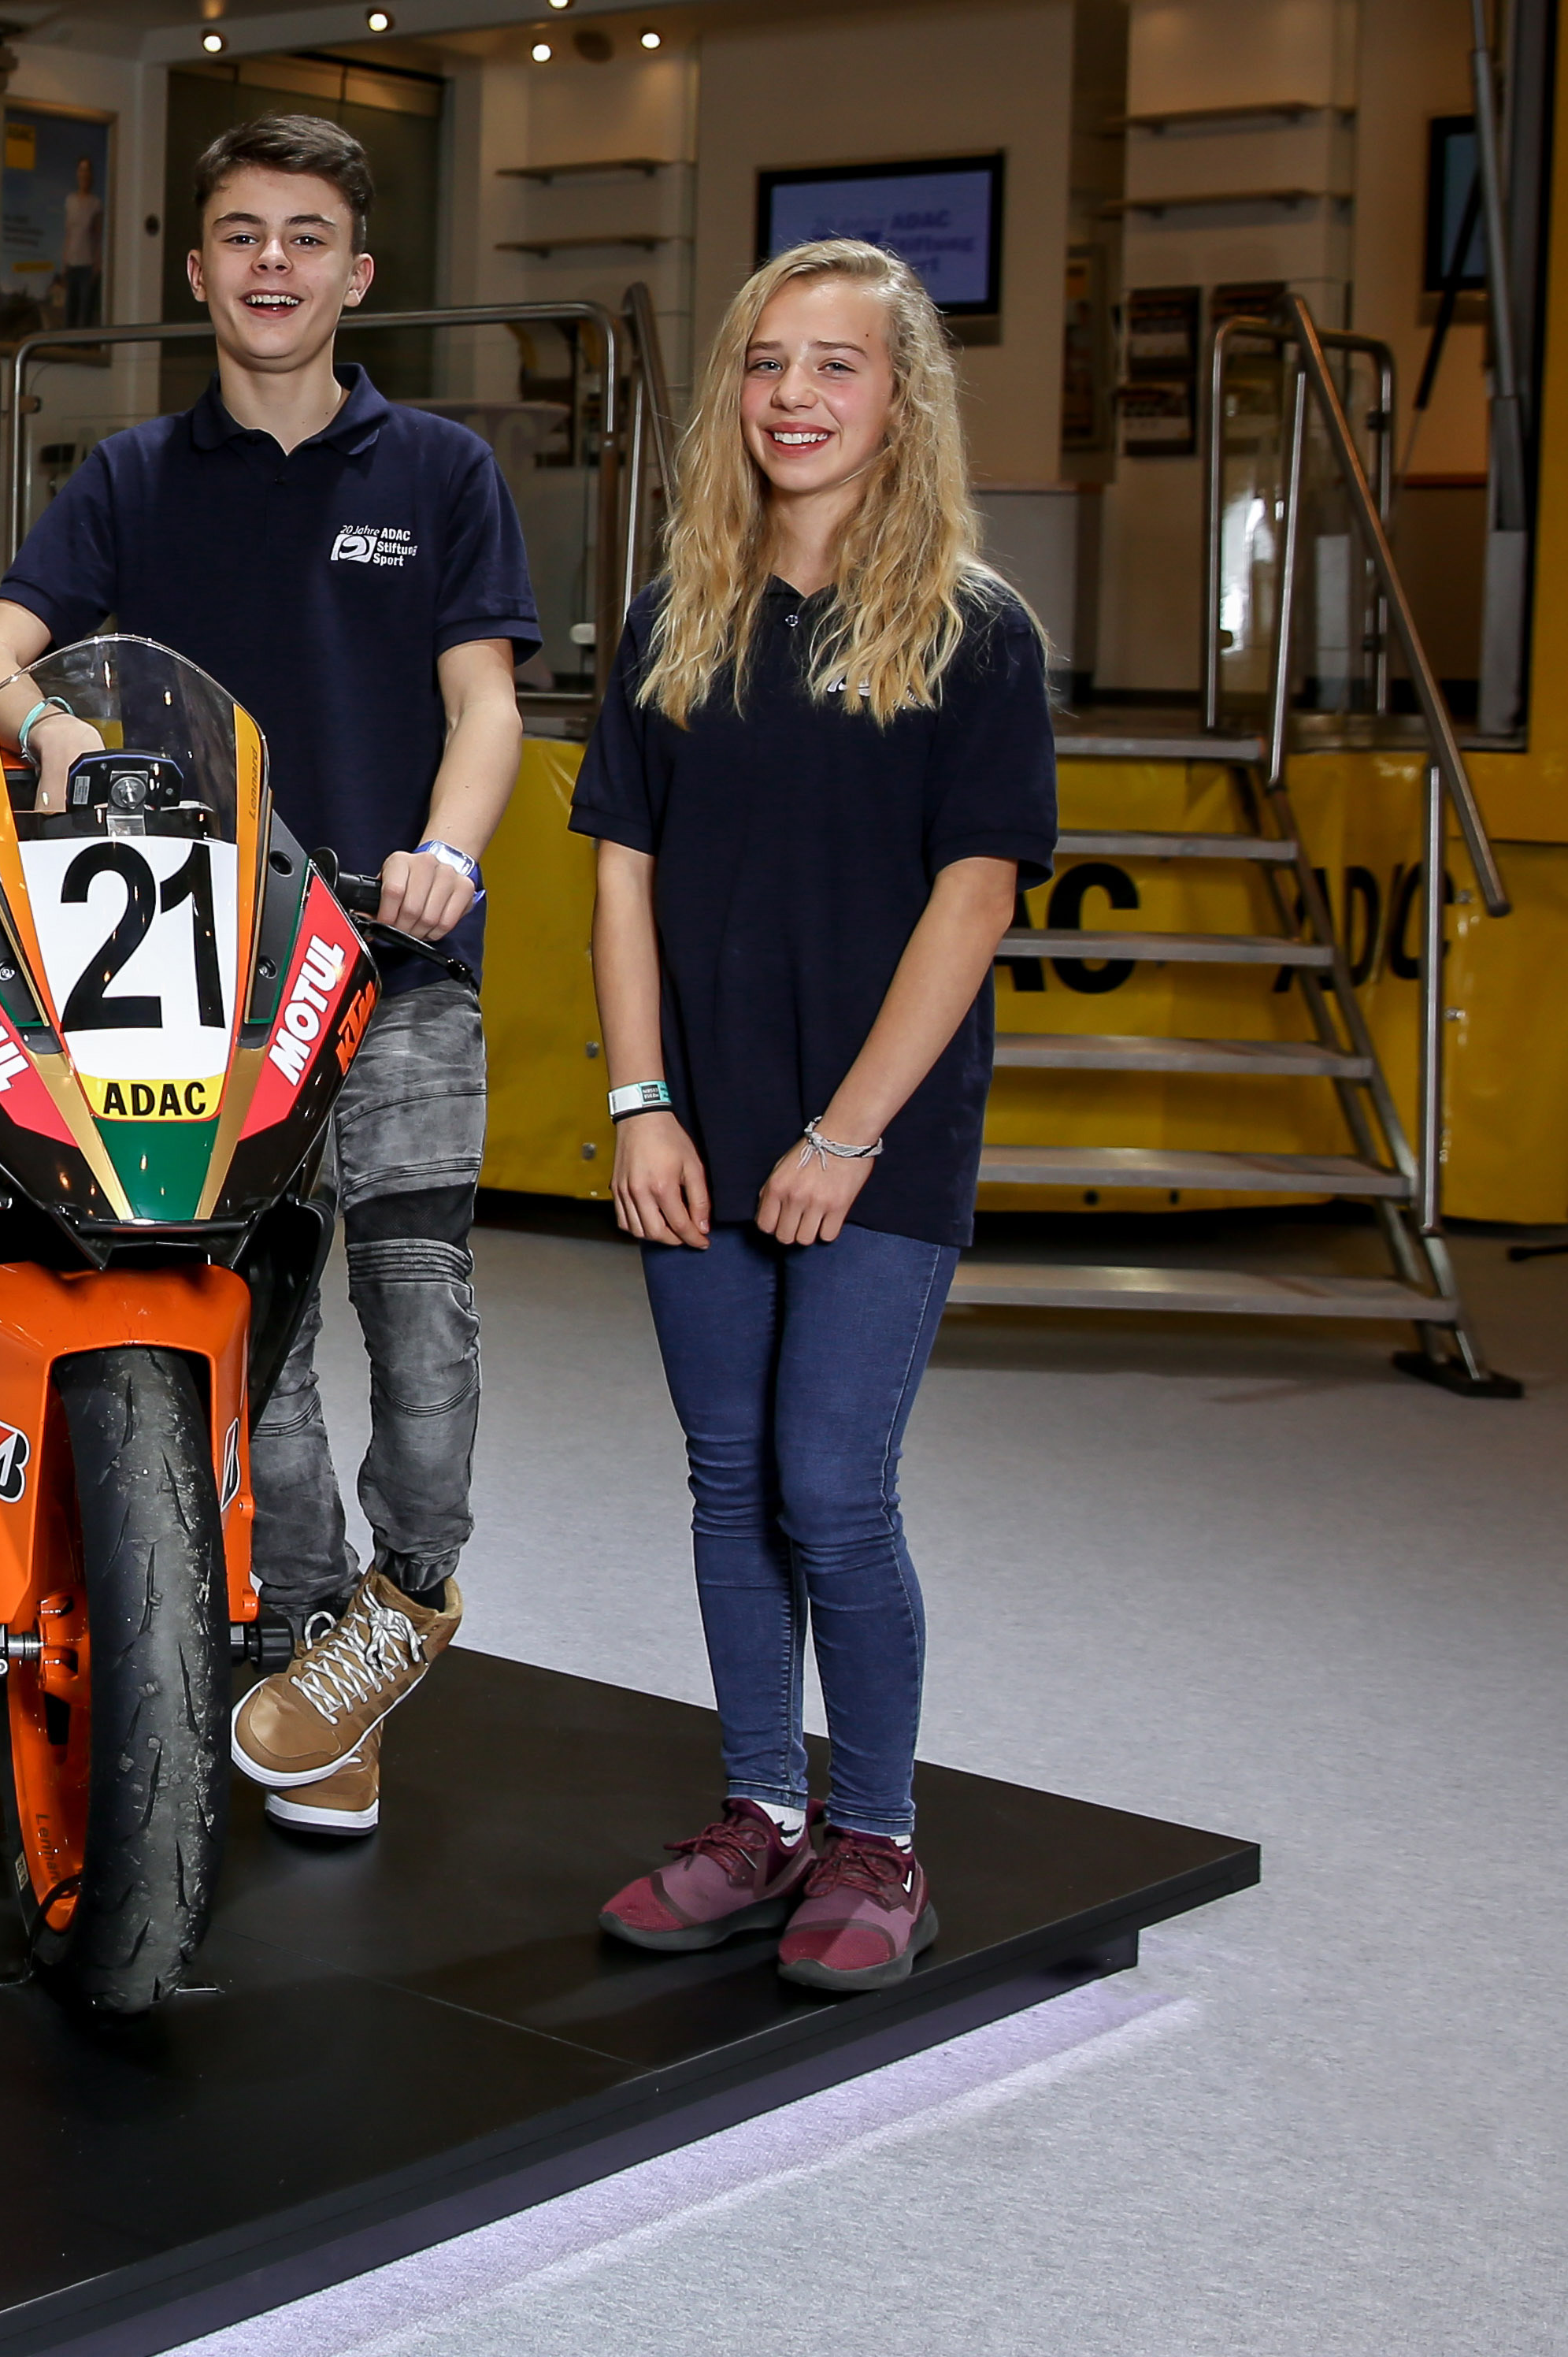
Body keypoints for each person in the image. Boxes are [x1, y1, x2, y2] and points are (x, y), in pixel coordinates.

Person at [0, 112, 536, 1839]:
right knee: (250, 1338)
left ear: (358, 273)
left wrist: (447, 849)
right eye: (243, 236)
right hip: (203, 986)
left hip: (395, 962)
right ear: (197, 270)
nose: (273, 263)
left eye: (307, 236)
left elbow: (486, 701)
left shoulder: (440, 473)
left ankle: (406, 1591)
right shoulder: (131, 476)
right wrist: (47, 727)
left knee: (417, 1312)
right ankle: (305, 1650)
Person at [576, 240, 1057, 1991]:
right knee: (727, 1480)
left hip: (879, 1143)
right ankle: (761, 1813)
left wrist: (844, 1135)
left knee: (829, 1486)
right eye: (766, 362)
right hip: (695, 1125)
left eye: (835, 365)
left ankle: (878, 1838)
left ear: (901, 399)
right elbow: (620, 878)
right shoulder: (676, 614)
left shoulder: (973, 633)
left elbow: (973, 900)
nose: (792, 396)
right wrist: (640, 1102)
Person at [59, 155, 105, 328]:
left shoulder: (96, 204)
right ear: (77, 173)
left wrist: (97, 265)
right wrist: (64, 263)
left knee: (85, 314)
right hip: (72, 264)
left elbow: (98, 237)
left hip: (87, 266)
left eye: (87, 170)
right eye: (81, 170)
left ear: (91, 175)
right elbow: (68, 234)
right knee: (69, 313)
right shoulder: (70, 201)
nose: (84, 174)